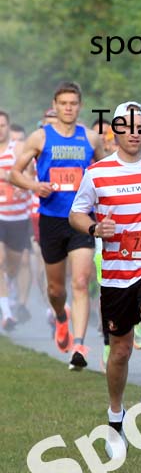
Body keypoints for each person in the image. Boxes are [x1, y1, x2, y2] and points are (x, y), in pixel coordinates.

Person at [68, 101, 141, 459]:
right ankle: (116, 417)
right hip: (117, 273)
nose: (134, 133)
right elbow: (76, 213)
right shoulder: (97, 173)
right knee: (120, 350)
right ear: (115, 130)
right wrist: (94, 228)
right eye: (127, 127)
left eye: (140, 127)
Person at [10, 81, 105, 369]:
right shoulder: (40, 137)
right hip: (51, 219)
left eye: (73, 103)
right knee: (55, 289)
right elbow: (15, 173)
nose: (68, 108)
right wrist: (35, 186)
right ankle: (61, 317)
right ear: (55, 105)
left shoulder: (91, 138)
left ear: (80, 106)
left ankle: (79, 346)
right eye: (63, 103)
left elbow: (106, 173)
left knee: (80, 281)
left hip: (82, 218)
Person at [0, 110, 33, 331]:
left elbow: (30, 176)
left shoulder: (18, 149)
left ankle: (9, 284)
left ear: (8, 127)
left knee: (13, 266)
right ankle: (7, 313)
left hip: (18, 216)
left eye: (2, 125)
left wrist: (15, 179)